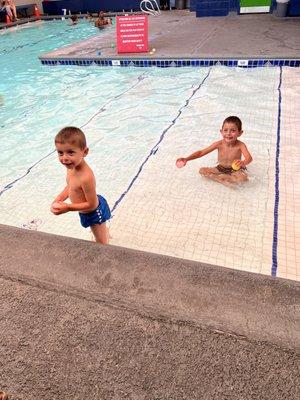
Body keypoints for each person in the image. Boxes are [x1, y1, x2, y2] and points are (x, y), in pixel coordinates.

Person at [51, 127, 111, 244]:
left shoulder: (86, 177)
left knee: (102, 244)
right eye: (60, 153)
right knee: (98, 233)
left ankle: (104, 232)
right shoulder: (71, 167)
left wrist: (68, 207)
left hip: (94, 212)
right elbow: (70, 186)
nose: (64, 158)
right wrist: (59, 199)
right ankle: (104, 230)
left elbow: (92, 204)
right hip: (84, 209)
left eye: (70, 152)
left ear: (85, 152)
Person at [176, 116, 253, 186]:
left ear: (240, 133)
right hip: (220, 168)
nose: (228, 133)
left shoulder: (240, 145)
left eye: (233, 130)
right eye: (225, 130)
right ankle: (222, 179)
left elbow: (249, 158)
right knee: (202, 171)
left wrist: (243, 162)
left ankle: (220, 178)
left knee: (243, 179)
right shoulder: (218, 144)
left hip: (236, 170)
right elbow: (201, 152)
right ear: (221, 131)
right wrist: (187, 159)